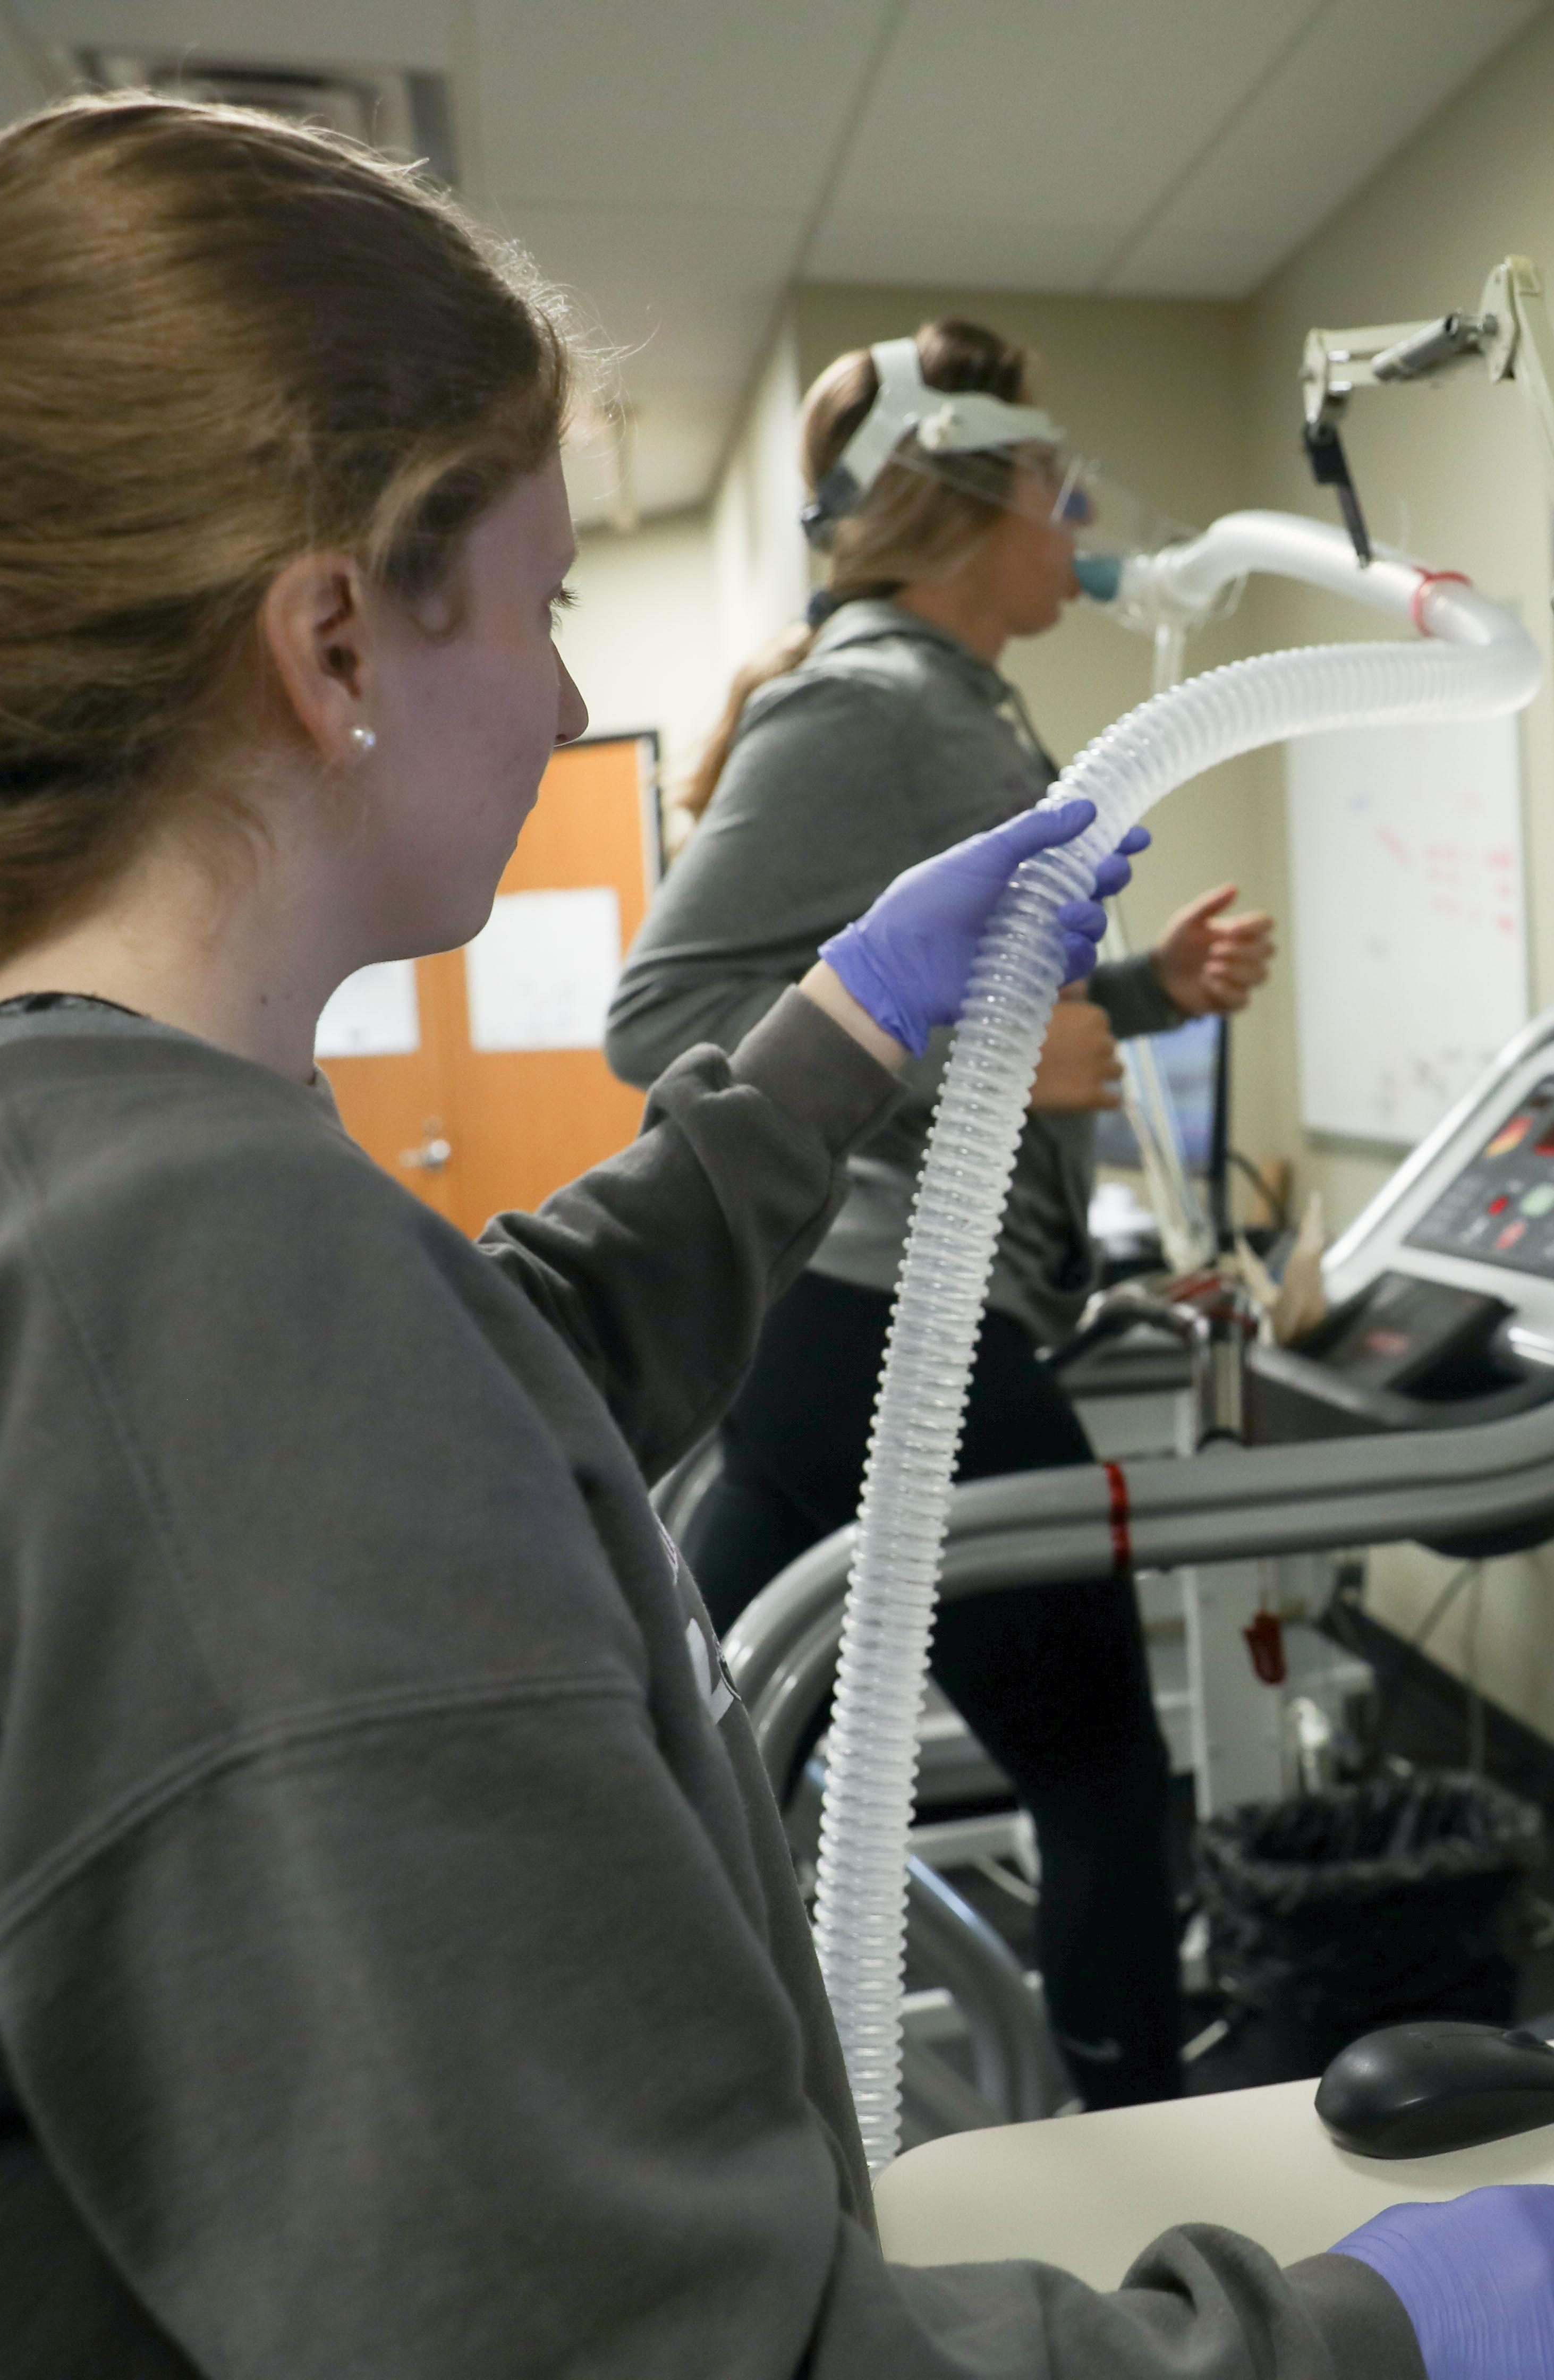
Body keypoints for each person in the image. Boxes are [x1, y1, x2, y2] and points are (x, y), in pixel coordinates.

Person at [0, 95, 1554, 2380]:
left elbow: (463, 1380)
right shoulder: (189, 1270)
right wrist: (1349, 2346)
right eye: (536, 608)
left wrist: (841, 1032)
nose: (573, 701)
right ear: (332, 643)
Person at [607, 320, 1270, 2111]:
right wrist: (999, 1051)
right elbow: (658, 1027)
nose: (1083, 518)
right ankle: (1143, 2147)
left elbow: (968, 1001)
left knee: (697, 1743)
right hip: (893, 1315)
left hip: (841, 1320)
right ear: (981, 487)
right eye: (1058, 481)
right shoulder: (872, 701)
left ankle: (643, 2087)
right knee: (1107, 1778)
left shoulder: (956, 698)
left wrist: (1135, 997)